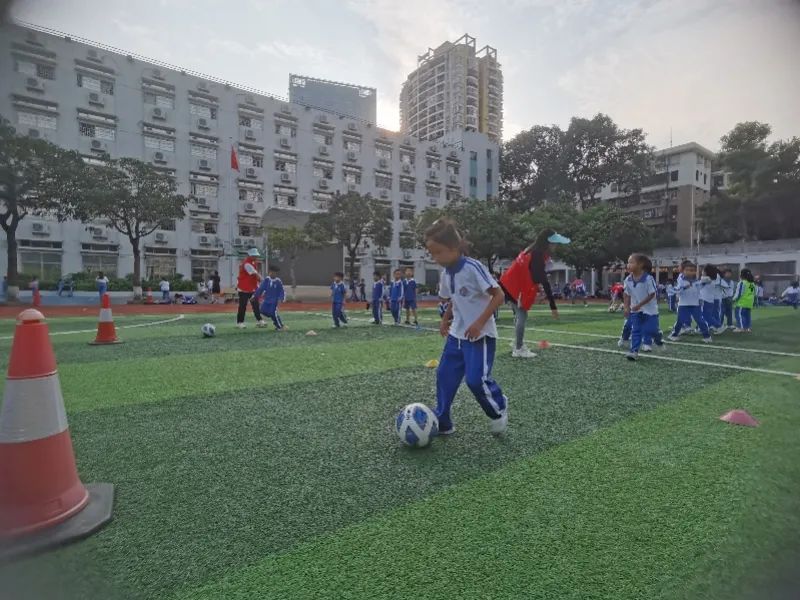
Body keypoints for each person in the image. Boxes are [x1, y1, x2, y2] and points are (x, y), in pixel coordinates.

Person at [426, 218, 508, 436]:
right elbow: (453, 298)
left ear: (453, 248)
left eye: (438, 252)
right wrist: (446, 319)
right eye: (431, 253)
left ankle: (499, 406)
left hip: (480, 337)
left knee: (475, 381)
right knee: (444, 376)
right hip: (456, 336)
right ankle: (443, 420)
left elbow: (499, 295)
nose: (435, 258)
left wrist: (479, 322)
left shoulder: (473, 267)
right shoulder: (446, 274)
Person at [499, 228, 569, 358]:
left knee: (519, 315)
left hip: (508, 283)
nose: (556, 246)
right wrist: (553, 307)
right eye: (554, 243)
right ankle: (518, 349)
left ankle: (517, 344)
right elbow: (542, 280)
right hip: (513, 286)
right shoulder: (537, 255)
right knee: (522, 316)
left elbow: (535, 276)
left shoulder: (533, 250)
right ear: (548, 243)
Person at [623, 254, 665, 361]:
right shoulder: (628, 280)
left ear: (640, 264)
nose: (628, 265)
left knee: (650, 330)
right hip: (636, 310)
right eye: (628, 262)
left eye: (631, 262)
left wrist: (639, 305)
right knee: (636, 330)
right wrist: (627, 307)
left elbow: (651, 294)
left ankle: (658, 338)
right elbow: (626, 294)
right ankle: (634, 351)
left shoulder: (648, 279)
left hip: (650, 310)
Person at [667, 260, 712, 342]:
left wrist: (704, 283)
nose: (689, 272)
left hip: (695, 305)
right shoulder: (681, 280)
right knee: (680, 321)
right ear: (682, 271)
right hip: (683, 305)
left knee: (700, 320)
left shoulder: (696, 281)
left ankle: (707, 337)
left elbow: (700, 288)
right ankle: (674, 335)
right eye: (687, 270)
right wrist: (684, 288)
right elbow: (675, 290)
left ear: (695, 272)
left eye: (692, 270)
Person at [236, 248, 266, 329]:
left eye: (256, 255)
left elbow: (255, 277)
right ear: (250, 255)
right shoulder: (246, 264)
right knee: (243, 306)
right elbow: (256, 274)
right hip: (244, 289)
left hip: (252, 288)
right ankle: (240, 322)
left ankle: (259, 320)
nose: (256, 257)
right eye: (254, 255)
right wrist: (265, 282)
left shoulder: (253, 262)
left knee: (256, 305)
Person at [255, 265, 286, 330]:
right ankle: (273, 316)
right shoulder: (267, 280)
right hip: (267, 300)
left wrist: (280, 298)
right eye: (272, 272)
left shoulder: (278, 281)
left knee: (273, 312)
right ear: (270, 272)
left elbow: (281, 291)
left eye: (275, 273)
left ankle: (280, 326)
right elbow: (261, 288)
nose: (274, 274)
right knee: (262, 310)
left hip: (274, 301)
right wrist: (255, 296)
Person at [699, 264, 725, 335]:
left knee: (706, 316)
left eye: (703, 270)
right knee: (706, 315)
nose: (702, 272)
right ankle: (704, 327)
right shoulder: (712, 279)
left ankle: (719, 326)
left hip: (706, 300)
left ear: (707, 272)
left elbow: (697, 285)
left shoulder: (706, 279)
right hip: (709, 300)